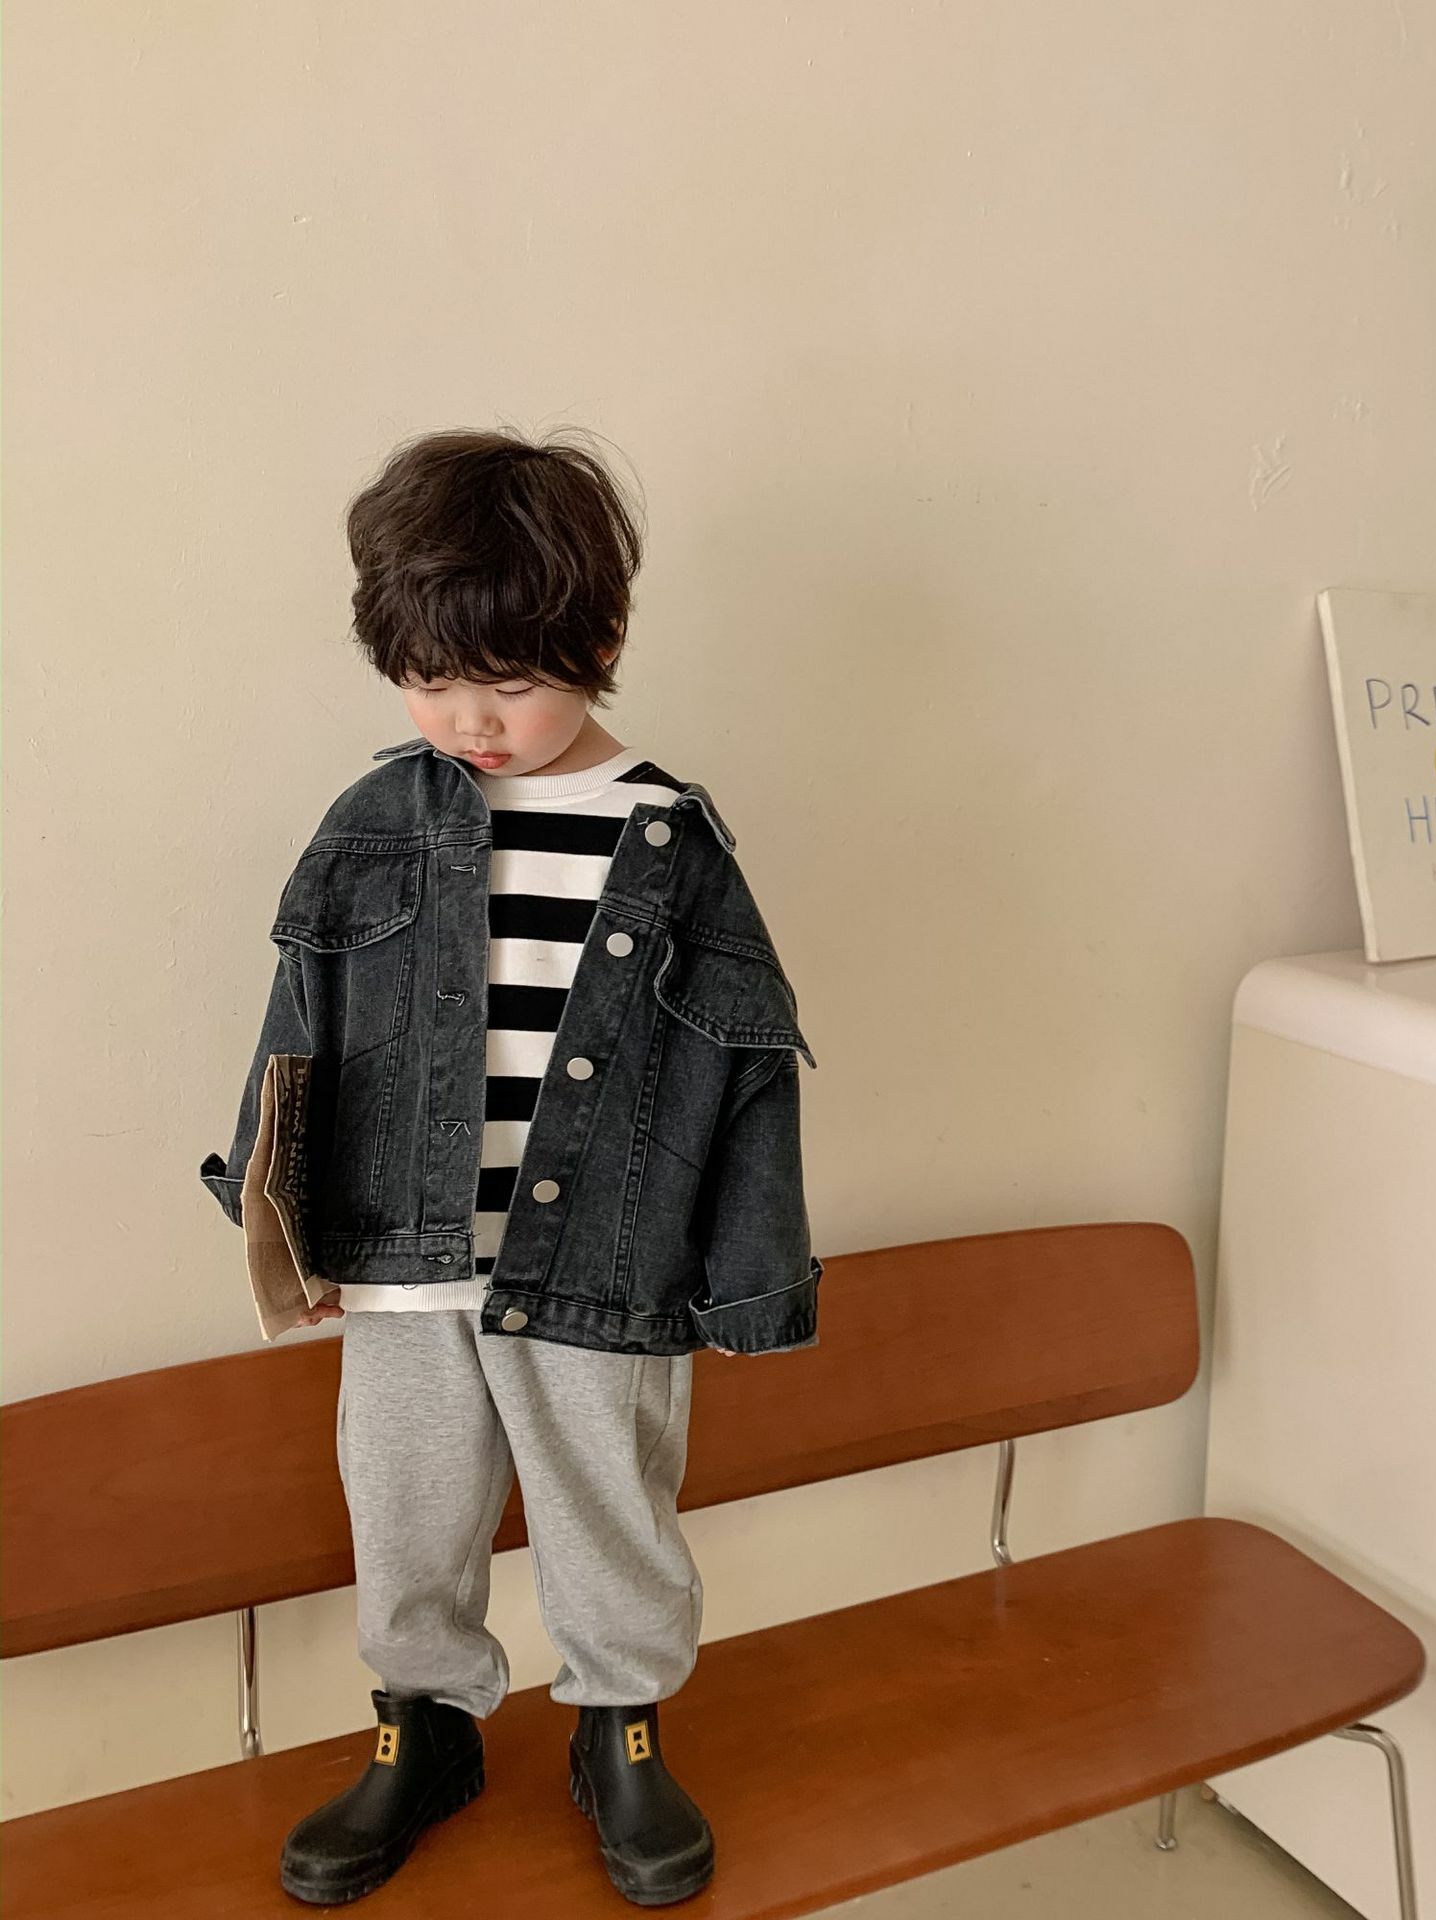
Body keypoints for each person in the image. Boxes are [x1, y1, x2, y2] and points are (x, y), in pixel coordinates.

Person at [197, 426, 821, 1908]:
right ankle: (423, 1731)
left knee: (610, 1508)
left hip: (604, 1260)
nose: (469, 720)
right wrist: (285, 1229)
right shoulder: (371, 826)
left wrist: (744, 1276)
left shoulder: (668, 839)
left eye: (511, 684)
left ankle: (622, 1728)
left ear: (599, 643)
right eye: (429, 682)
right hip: (405, 1262)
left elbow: (750, 1066)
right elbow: (299, 1026)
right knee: (405, 1509)